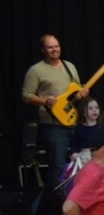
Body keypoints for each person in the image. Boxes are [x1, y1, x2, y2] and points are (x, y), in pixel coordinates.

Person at [21, 34, 88, 185]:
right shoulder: (36, 70)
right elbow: (25, 95)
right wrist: (44, 100)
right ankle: (56, 203)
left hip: (74, 122)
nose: (54, 49)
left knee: (81, 162)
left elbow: (77, 89)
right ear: (43, 50)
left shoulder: (69, 66)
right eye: (50, 47)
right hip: (53, 125)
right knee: (58, 165)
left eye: (56, 46)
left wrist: (82, 92)